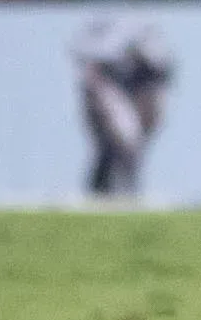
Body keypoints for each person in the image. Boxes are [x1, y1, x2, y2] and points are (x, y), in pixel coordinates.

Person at [73, 18, 176, 198]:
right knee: (117, 146)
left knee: (128, 148)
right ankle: (103, 194)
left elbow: (163, 68)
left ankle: (121, 192)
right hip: (106, 90)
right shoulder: (106, 39)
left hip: (134, 93)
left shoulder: (148, 42)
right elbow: (85, 55)